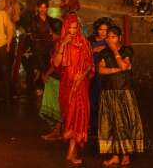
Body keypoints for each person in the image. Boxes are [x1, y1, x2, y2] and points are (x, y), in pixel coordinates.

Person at [98, 25, 144, 166]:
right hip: (108, 92)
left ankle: (125, 155)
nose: (110, 39)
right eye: (108, 37)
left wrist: (115, 52)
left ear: (119, 38)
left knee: (124, 123)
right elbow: (101, 70)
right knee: (111, 124)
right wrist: (116, 69)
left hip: (124, 92)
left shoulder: (126, 50)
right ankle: (115, 156)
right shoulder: (104, 53)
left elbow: (125, 66)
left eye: (113, 37)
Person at [52, 14, 94, 164]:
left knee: (79, 115)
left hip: (80, 85)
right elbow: (56, 64)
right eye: (69, 27)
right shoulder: (60, 43)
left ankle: (71, 152)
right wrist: (63, 45)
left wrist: (81, 76)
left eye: (75, 27)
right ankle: (72, 150)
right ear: (65, 28)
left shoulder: (84, 43)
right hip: (66, 86)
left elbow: (90, 65)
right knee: (69, 115)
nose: (72, 30)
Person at [88, 17, 114, 137]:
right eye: (100, 29)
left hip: (105, 75)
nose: (103, 32)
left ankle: (104, 127)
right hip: (91, 74)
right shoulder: (90, 40)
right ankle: (92, 126)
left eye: (106, 30)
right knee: (92, 101)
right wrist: (94, 50)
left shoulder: (111, 41)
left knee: (105, 101)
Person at [40, 19, 63, 141]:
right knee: (59, 105)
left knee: (57, 105)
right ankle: (58, 130)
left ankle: (57, 131)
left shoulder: (59, 43)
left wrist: (46, 74)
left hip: (57, 78)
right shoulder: (61, 42)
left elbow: (56, 63)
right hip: (60, 77)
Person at [0, 2, 14, 102]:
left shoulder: (1, 14)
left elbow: (10, 27)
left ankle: (7, 97)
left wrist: (8, 42)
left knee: (5, 73)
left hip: (1, 46)